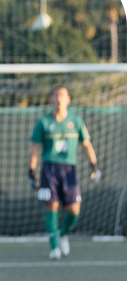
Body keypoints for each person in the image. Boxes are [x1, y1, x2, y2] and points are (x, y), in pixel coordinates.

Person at [28, 85, 100, 259]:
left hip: (69, 170)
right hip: (49, 169)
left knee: (74, 210)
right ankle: (54, 248)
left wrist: (94, 166)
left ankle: (63, 233)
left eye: (62, 95)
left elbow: (86, 145)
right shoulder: (44, 122)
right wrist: (31, 171)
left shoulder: (76, 122)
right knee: (51, 206)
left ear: (69, 99)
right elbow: (35, 149)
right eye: (56, 95)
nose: (59, 99)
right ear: (51, 99)